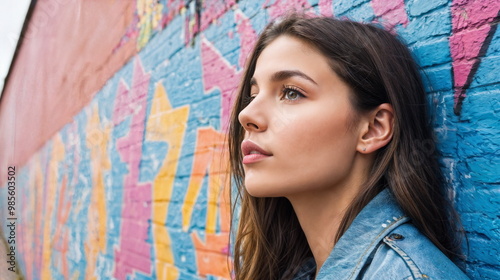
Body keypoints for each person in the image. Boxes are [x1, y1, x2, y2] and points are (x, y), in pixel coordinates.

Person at [227, 14, 470, 280]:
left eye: (292, 92)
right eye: (252, 95)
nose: (246, 115)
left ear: (373, 129)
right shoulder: (297, 269)